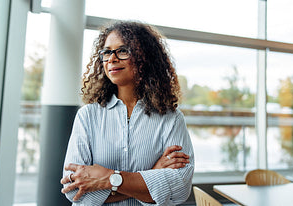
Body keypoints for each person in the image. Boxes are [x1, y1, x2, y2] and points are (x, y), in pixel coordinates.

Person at [60, 20, 195, 205]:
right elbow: (76, 191)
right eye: (107, 52)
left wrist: (108, 179)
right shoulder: (87, 116)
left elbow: (180, 188)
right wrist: (153, 176)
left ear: (144, 57)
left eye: (122, 51)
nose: (112, 59)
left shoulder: (171, 118)